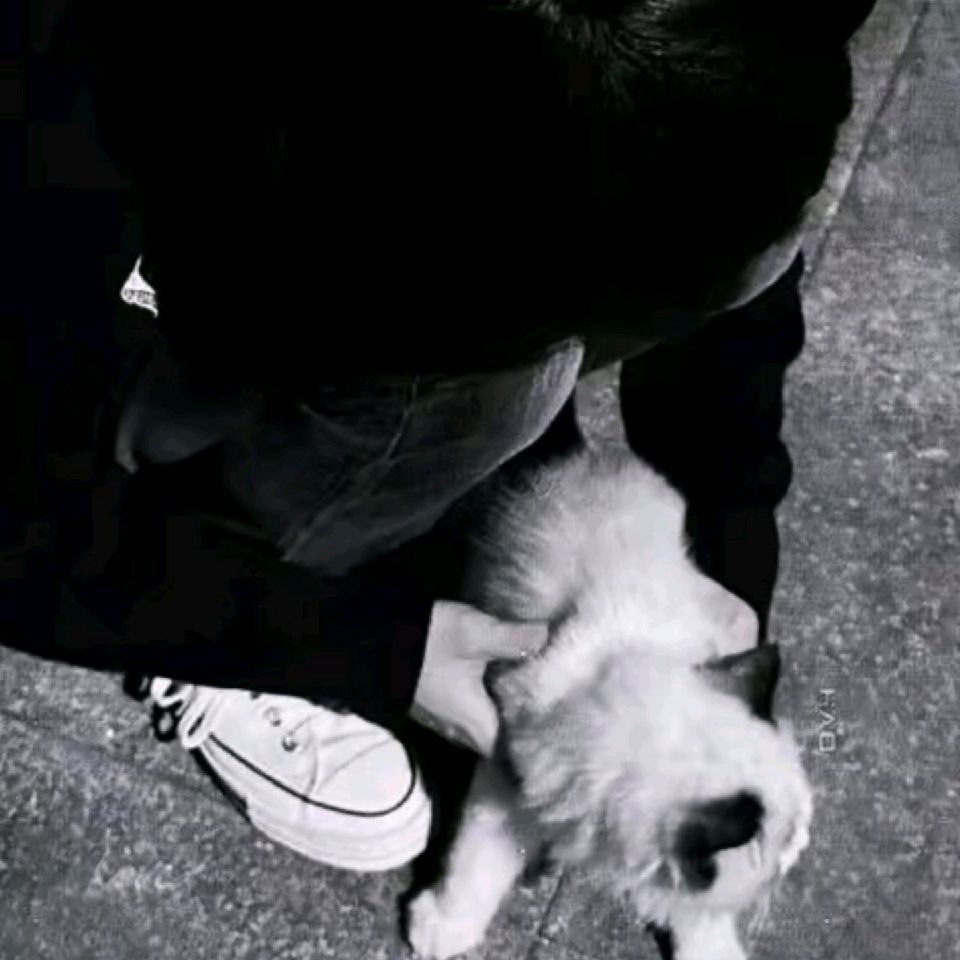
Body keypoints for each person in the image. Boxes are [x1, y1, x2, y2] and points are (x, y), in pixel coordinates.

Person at [9, 0, 875, 870]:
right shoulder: (63, 125)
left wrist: (726, 541)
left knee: (726, 251)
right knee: (491, 397)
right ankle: (220, 586)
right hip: (173, 260)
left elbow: (739, 227)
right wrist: (362, 647)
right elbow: (22, 533)